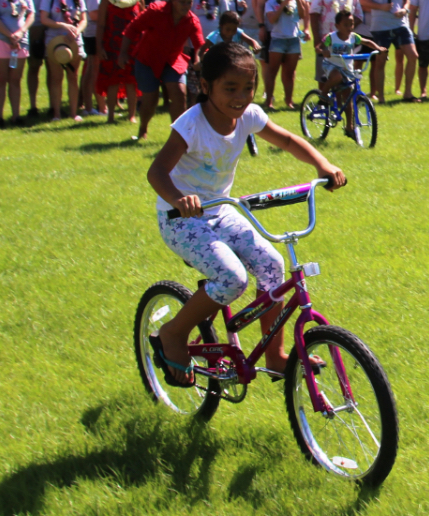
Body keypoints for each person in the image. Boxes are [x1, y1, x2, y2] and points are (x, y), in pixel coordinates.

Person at [145, 41, 347, 386]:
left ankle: (276, 356)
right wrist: (179, 199)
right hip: (181, 219)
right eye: (230, 88)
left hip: (222, 211)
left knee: (272, 265)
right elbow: (157, 173)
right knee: (231, 278)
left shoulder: (248, 116)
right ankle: (174, 332)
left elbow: (286, 140)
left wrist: (322, 164)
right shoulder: (191, 125)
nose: (240, 96)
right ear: (205, 87)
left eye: (248, 87)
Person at [121, 0, 203, 140]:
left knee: (179, 94)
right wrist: (123, 53)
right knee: (150, 101)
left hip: (173, 60)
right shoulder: (155, 11)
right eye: (182, 1)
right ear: (172, 0)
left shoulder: (192, 21)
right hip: (147, 60)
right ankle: (143, 129)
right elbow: (133, 28)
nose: (186, 6)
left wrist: (198, 59)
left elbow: (200, 44)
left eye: (189, 2)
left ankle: (179, 137)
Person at [20, 0, 69, 120]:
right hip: (36, 23)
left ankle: (53, 105)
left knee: (55, 65)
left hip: (57, 22)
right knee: (34, 64)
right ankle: (33, 105)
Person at [359, 0, 415, 102]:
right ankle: (381, 97)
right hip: (380, 26)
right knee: (381, 60)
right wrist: (380, 7)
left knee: (413, 55)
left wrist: (404, 9)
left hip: (400, 23)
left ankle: (408, 93)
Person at [318, 10, 384, 139]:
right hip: (332, 66)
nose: (349, 28)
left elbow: (367, 42)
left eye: (352, 24)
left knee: (348, 97)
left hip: (346, 69)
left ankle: (350, 127)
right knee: (336, 76)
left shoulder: (354, 37)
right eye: (346, 25)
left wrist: (378, 48)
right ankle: (323, 94)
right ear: (337, 26)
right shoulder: (331, 37)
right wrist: (323, 51)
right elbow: (319, 47)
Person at [95, 0, 143, 123]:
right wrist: (99, 46)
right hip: (111, 44)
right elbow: (101, 24)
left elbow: (143, 22)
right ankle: (110, 116)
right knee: (112, 80)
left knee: (132, 80)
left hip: (133, 45)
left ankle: (131, 116)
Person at [40, 0, 87, 122]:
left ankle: (74, 113)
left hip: (74, 41)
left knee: (73, 77)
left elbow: (84, 19)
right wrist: (63, 25)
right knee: (56, 78)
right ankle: (57, 114)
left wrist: (76, 31)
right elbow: (44, 19)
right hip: (55, 41)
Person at [262, 0, 311, 110]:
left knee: (290, 73)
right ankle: (269, 102)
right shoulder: (270, 3)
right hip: (278, 39)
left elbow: (303, 14)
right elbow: (272, 20)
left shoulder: (295, 1)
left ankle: (289, 101)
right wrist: (283, 3)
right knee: (272, 72)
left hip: (293, 39)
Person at [309, 0, 362, 90]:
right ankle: (323, 101)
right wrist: (317, 40)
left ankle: (339, 105)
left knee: (344, 79)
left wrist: (348, 28)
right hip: (326, 41)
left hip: (344, 43)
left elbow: (359, 16)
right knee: (324, 76)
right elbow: (314, 15)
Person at [78, 0, 116, 115]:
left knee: (91, 70)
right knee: (95, 70)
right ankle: (100, 107)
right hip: (93, 32)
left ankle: (89, 106)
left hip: (95, 31)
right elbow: (93, 14)